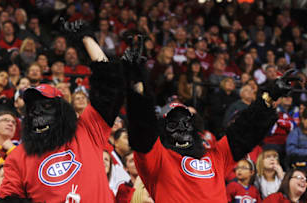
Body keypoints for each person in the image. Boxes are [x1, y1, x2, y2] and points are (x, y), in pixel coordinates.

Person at [123, 34, 294, 202]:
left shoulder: (216, 155)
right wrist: (137, 79)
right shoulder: (157, 158)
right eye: (173, 123)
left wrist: (270, 96)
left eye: (186, 121)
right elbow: (142, 125)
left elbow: (244, 130)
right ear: (162, 130)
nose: (182, 127)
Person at [0, 21, 126, 203]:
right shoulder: (18, 157)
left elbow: (109, 83)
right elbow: (7, 199)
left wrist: (86, 38)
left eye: (47, 106)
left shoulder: (88, 131)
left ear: (63, 111)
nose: (38, 113)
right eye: (33, 109)